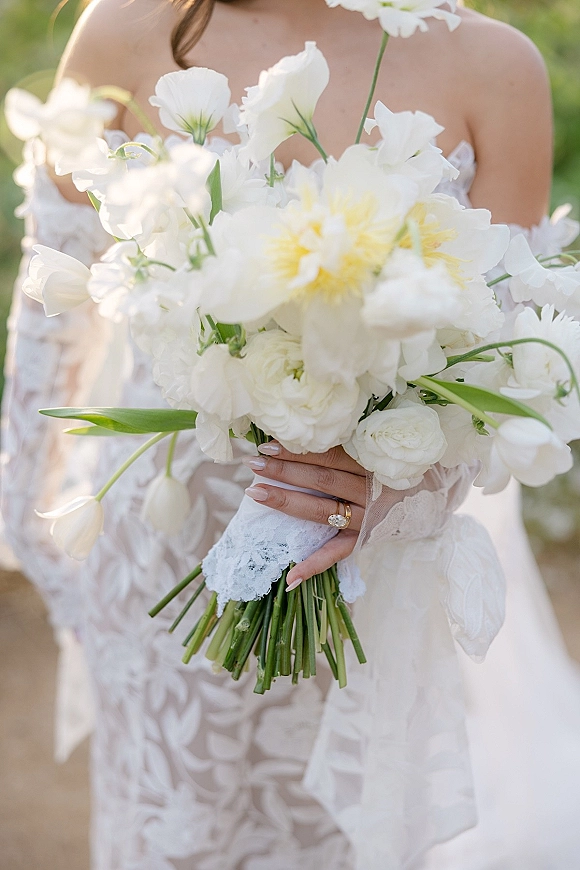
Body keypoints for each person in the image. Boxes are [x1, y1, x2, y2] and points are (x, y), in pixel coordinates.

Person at [3, 0, 580, 867]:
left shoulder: (496, 67)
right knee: (170, 836)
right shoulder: (127, 29)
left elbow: (491, 373)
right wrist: (50, 552)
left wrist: (393, 489)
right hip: (158, 554)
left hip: (359, 583)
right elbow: (55, 325)